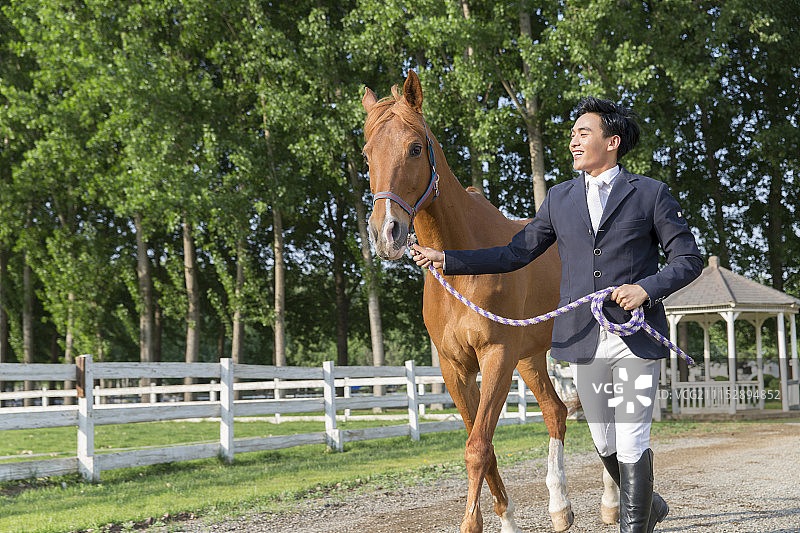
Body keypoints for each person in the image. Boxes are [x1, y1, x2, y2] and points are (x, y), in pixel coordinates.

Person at [411, 96, 702, 533]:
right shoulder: (560, 199)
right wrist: (447, 259)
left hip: (635, 337)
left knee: (631, 438)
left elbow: (687, 260)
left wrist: (645, 288)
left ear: (613, 142)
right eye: (572, 135)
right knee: (604, 439)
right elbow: (515, 252)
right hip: (584, 335)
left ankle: (635, 524)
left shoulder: (651, 194)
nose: (573, 141)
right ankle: (650, 502)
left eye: (583, 133)